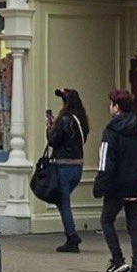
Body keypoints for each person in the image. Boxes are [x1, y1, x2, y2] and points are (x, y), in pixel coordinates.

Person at [93, 89, 137, 272]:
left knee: (106, 220)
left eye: (111, 104)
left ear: (116, 107)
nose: (109, 108)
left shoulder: (111, 131)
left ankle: (118, 260)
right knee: (134, 225)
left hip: (117, 185)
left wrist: (100, 184)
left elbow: (105, 161)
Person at [47, 88, 90, 253]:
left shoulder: (64, 120)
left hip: (63, 166)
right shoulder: (81, 121)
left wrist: (49, 128)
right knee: (62, 200)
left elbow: (53, 141)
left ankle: (72, 236)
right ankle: (71, 234)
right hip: (77, 166)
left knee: (63, 201)